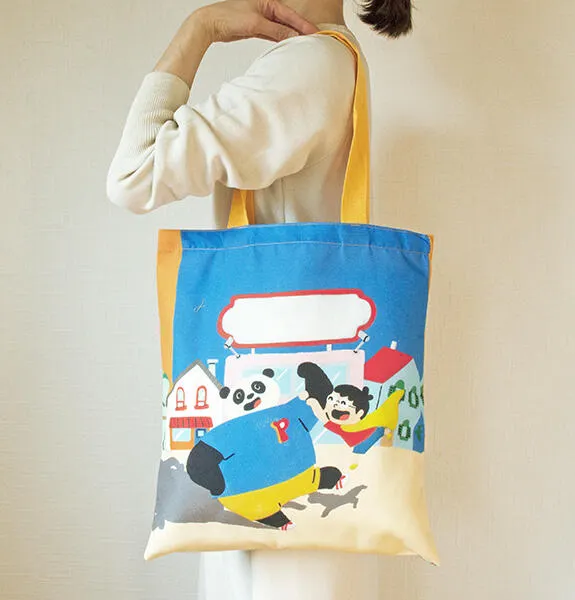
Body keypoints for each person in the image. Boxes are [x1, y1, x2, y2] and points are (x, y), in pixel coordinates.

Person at [107, 1, 412, 598]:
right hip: (304, 529)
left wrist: (199, 29)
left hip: (284, 553)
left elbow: (133, 174)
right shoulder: (335, 58)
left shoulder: (308, 65)